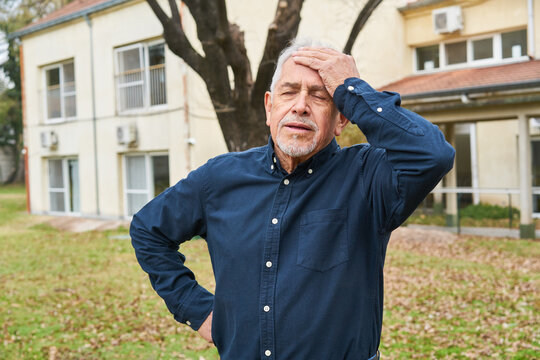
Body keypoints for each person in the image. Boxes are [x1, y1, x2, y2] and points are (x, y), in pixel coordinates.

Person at [130, 38, 455, 360]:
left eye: (320, 96)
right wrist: (195, 309)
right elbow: (148, 230)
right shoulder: (219, 178)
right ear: (270, 107)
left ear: (341, 118)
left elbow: (432, 154)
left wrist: (351, 89)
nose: (300, 105)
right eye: (289, 92)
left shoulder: (368, 178)